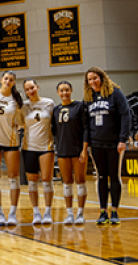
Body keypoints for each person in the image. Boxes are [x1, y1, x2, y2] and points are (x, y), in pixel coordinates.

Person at [85, 67, 131, 225]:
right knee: (101, 177)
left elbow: (126, 115)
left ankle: (115, 211)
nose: (93, 82)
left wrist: (122, 139)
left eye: (95, 78)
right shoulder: (89, 98)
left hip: (114, 143)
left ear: (102, 78)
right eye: (90, 79)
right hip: (96, 144)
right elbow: (86, 123)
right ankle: (103, 211)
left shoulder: (115, 93)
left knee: (114, 176)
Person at [0, 70, 24, 227]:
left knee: (13, 177)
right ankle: (0, 213)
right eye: (6, 78)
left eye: (11, 80)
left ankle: (13, 213)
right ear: (1, 79)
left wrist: (17, 126)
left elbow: (22, 121)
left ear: (14, 83)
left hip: (11, 141)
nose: (8, 81)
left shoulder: (16, 100)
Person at [52, 80, 89, 225]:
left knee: (80, 181)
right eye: (61, 91)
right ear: (58, 93)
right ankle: (69, 214)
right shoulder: (55, 110)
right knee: (66, 182)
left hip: (78, 150)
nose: (64, 93)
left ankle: (80, 213)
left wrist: (84, 149)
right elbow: (54, 131)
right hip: (62, 151)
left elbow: (86, 129)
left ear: (71, 90)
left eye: (67, 90)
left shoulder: (80, 106)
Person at [21, 79, 56, 225]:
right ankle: (36, 212)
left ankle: (47, 212)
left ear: (37, 87)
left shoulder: (49, 103)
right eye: (27, 89)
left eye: (32, 88)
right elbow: (19, 124)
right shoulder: (23, 106)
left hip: (46, 147)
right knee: (32, 182)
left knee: (47, 180)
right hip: (29, 147)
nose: (30, 91)